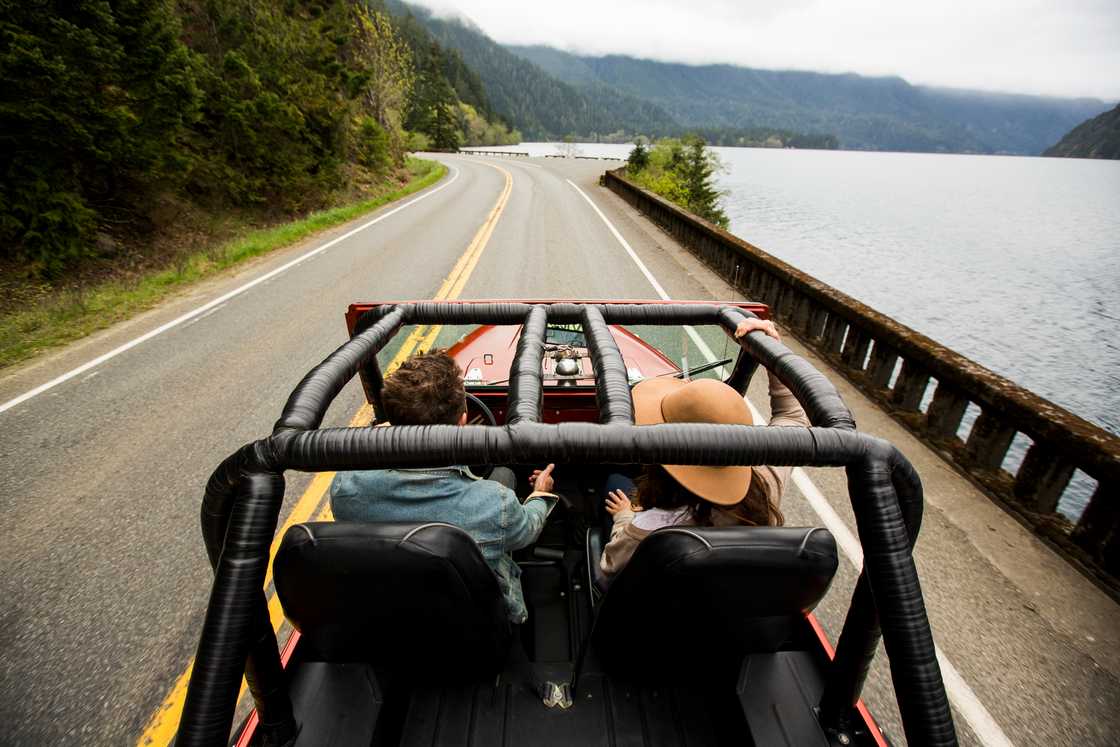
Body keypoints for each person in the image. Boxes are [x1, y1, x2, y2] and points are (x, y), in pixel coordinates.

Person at [330, 349, 558, 624]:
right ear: (463, 421)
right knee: (504, 475)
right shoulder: (494, 502)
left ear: (392, 421)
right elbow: (527, 530)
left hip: (390, 612)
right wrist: (541, 494)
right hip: (475, 621)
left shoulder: (347, 485)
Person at [599, 318, 810, 576]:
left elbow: (608, 567)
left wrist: (623, 518)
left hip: (653, 607)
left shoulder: (643, 531)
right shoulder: (764, 487)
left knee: (615, 482)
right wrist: (769, 348)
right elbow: (793, 417)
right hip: (724, 606)